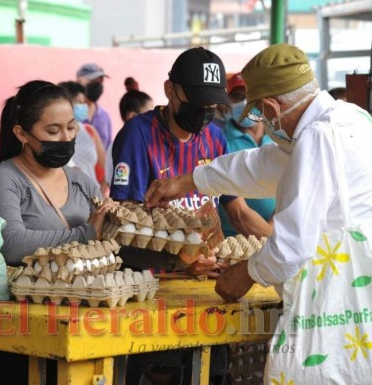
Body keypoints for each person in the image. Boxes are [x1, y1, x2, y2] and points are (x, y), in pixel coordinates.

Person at [144, 43, 372, 302]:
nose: (262, 122)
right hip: (360, 287)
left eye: (259, 114)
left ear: (271, 108)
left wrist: (246, 273)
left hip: (341, 301)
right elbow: (260, 165)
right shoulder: (348, 117)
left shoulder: (318, 136)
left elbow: (293, 245)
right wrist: (189, 181)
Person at [110, 47, 270, 385]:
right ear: (170, 90)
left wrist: (274, 242)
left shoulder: (213, 137)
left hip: (207, 288)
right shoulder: (138, 137)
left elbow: (238, 211)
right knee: (164, 374)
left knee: (213, 373)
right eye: (196, 103)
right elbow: (123, 228)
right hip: (155, 290)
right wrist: (181, 261)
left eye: (211, 106)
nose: (204, 113)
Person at [0, 80, 115, 385]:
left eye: (71, 128)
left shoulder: (81, 181)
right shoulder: (4, 180)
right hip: (12, 332)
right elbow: (12, 244)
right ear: (21, 134)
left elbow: (109, 241)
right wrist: (86, 234)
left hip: (78, 323)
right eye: (53, 131)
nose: (66, 138)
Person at [218, 72, 275, 237]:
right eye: (237, 97)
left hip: (278, 233)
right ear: (228, 103)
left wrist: (273, 229)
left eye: (251, 96)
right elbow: (237, 212)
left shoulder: (279, 137)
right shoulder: (219, 141)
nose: (244, 103)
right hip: (232, 240)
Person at [58, 80, 109, 195]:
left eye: (84, 102)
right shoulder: (55, 134)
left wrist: (101, 194)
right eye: (79, 102)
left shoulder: (89, 131)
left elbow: (106, 167)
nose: (84, 106)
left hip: (93, 198)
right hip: (66, 198)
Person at [105, 88, 154, 185]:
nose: (153, 118)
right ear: (132, 117)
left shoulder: (148, 143)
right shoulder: (121, 145)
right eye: (149, 114)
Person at [76, 63, 112, 149]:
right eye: (93, 81)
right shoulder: (70, 113)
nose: (98, 85)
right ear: (79, 81)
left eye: (101, 81)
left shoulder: (104, 117)